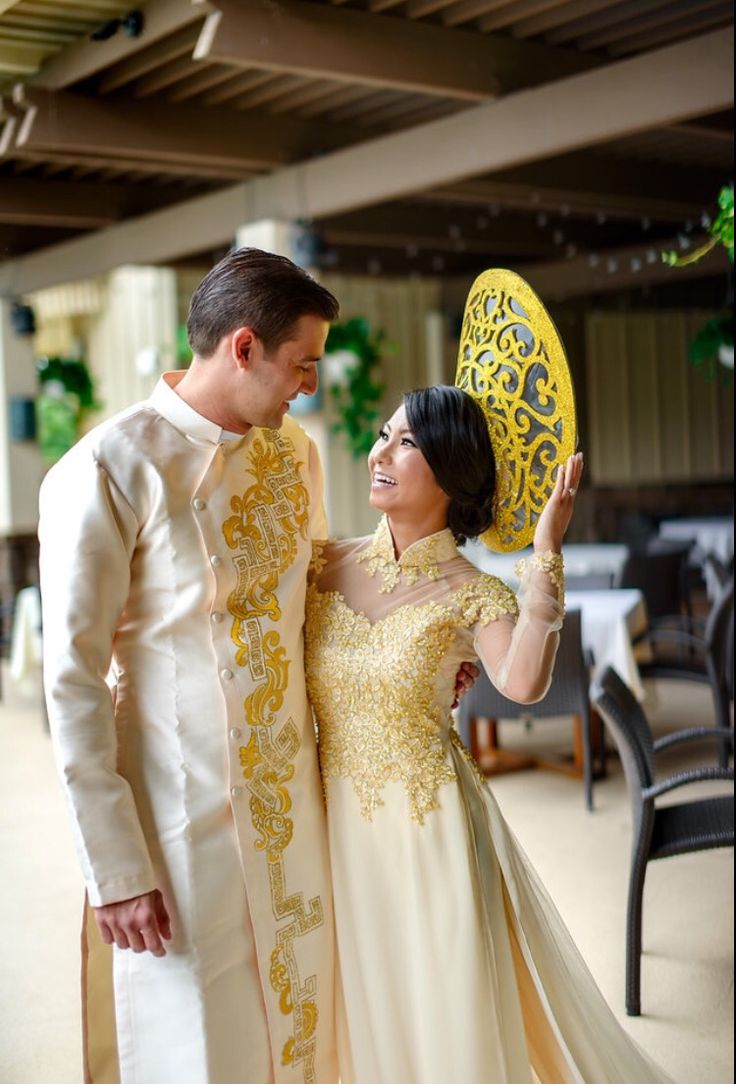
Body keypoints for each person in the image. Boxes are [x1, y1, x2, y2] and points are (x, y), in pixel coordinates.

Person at [304, 385, 673, 1084]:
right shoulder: (323, 564)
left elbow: (525, 682)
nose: (379, 452)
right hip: (336, 832)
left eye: (406, 443)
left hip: (429, 831)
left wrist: (546, 551)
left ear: (450, 471)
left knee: (443, 1015)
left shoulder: (475, 591)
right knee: (362, 1008)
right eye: (384, 435)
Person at [38, 248, 343, 1084]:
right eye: (301, 364)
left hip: (294, 809)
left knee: (303, 1024)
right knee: (196, 1041)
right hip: (177, 818)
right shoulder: (106, 467)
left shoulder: (297, 456)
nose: (308, 386)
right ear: (243, 347)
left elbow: (320, 593)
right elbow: (70, 681)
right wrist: (118, 869)